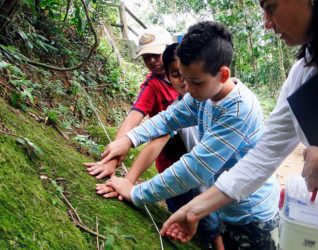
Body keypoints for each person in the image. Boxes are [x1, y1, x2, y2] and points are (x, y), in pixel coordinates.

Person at [159, 1, 318, 250]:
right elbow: (262, 157)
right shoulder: (301, 76)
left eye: (271, 7)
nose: (266, 22)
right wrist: (193, 211)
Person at [96, 21, 281, 249]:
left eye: (195, 81)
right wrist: (128, 139)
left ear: (223, 75)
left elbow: (196, 167)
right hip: (224, 204)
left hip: (252, 214)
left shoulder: (238, 109)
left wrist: (136, 193)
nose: (188, 88)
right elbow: (168, 118)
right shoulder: (203, 95)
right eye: (182, 77)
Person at [96, 43, 224, 249]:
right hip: (173, 170)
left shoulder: (208, 99)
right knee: (186, 221)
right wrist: (120, 166)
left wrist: (134, 188)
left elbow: (199, 163)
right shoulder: (171, 98)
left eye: (155, 55)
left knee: (211, 225)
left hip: (206, 178)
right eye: (176, 74)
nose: (184, 81)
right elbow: (153, 129)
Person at [84, 27, 187, 180]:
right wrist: (112, 161)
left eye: (156, 55)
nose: (152, 60)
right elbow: (133, 117)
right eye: (146, 57)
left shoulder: (192, 81)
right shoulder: (152, 86)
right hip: (169, 160)